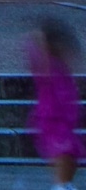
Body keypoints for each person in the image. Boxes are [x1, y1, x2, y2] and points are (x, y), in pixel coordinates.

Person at [29, 18, 83, 190]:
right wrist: (43, 39)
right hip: (53, 119)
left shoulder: (60, 67)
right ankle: (60, 185)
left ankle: (65, 183)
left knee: (71, 154)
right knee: (64, 152)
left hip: (64, 119)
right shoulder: (47, 66)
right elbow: (35, 48)